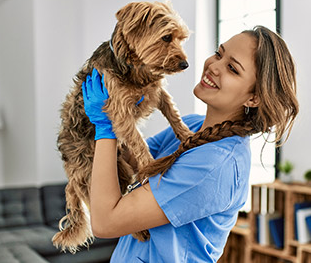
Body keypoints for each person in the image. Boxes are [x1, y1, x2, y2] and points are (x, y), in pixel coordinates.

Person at [82, 25, 299, 262]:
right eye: (219, 53)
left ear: (254, 97)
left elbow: (105, 222)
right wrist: (123, 99)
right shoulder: (192, 126)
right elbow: (129, 160)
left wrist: (106, 127)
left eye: (232, 69)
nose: (214, 66)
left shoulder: (215, 165)